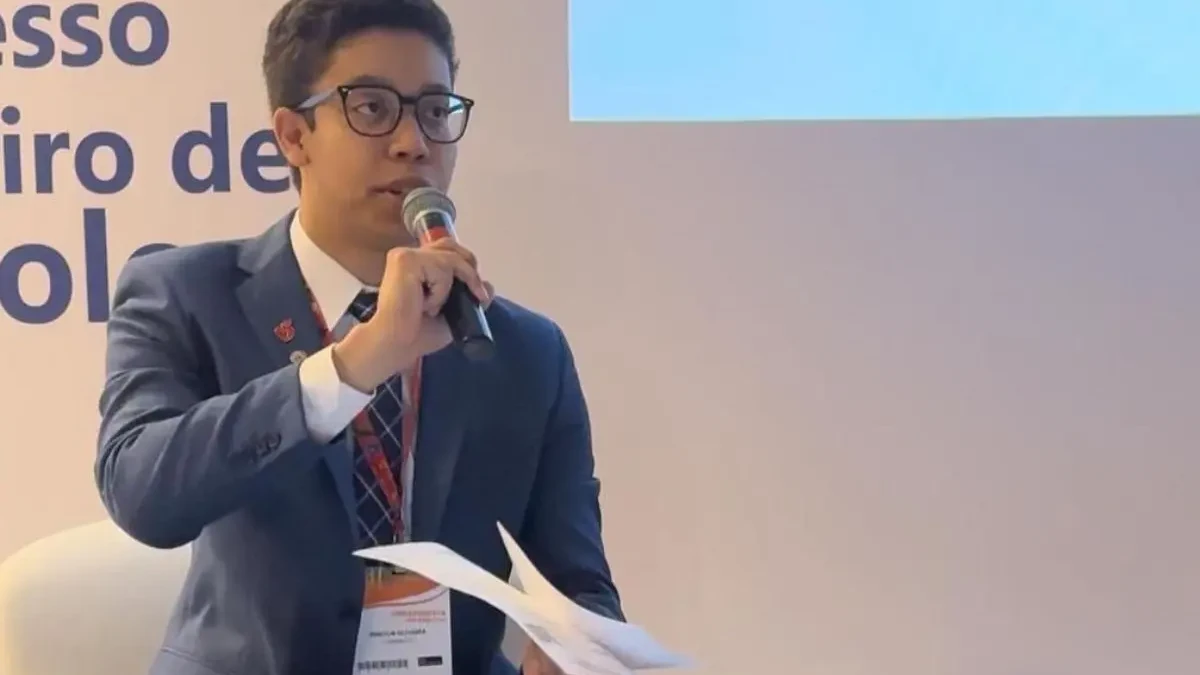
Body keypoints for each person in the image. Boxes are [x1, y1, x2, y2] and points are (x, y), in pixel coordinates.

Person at [94, 0, 623, 673]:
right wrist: (353, 365)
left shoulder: (524, 352)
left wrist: (573, 643)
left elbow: (582, 586)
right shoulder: (185, 293)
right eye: (373, 108)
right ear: (294, 136)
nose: (414, 142)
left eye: (435, 111)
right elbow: (142, 493)